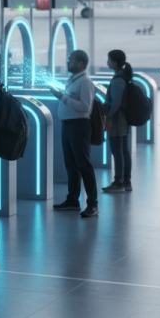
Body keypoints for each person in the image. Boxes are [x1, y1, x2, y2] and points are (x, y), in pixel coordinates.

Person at [50, 49, 99, 218]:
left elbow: (85, 107)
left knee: (84, 166)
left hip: (79, 127)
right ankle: (72, 200)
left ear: (80, 64)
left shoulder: (85, 82)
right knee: (71, 166)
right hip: (68, 126)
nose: (67, 62)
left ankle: (93, 204)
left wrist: (62, 97)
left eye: (70, 60)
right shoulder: (73, 80)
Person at [102, 50, 133, 194]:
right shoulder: (122, 77)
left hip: (117, 120)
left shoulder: (118, 80)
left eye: (109, 60)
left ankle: (119, 181)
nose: (107, 62)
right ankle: (125, 181)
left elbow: (116, 104)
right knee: (123, 150)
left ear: (114, 62)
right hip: (123, 120)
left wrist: (107, 117)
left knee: (118, 151)